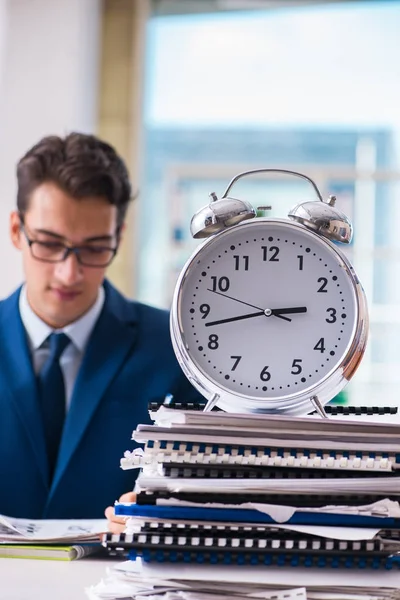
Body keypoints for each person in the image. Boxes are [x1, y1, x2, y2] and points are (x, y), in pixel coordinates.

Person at [0, 132, 203, 520]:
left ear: (118, 238)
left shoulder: (177, 349)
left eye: (94, 248)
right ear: (16, 230)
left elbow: (218, 484)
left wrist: (171, 508)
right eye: (47, 243)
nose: (68, 272)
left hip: (120, 575)